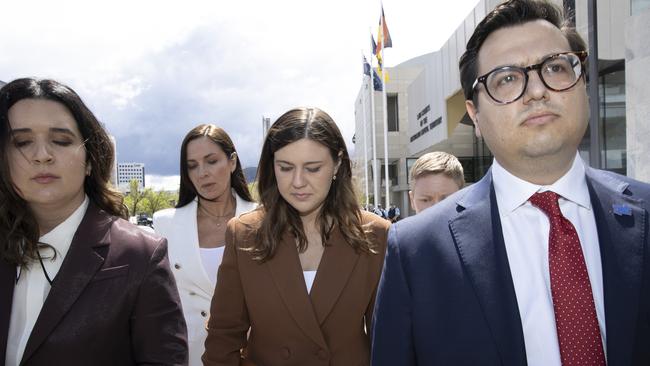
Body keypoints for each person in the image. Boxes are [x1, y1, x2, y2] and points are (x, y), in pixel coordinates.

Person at [371, 1, 650, 365]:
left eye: (556, 67)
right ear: (474, 113)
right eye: (506, 78)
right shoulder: (416, 252)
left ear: (582, 83)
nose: (537, 91)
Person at [0, 78, 188, 365]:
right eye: (22, 142)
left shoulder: (141, 254)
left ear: (90, 159)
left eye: (61, 141)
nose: (42, 156)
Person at [202, 107, 390, 366]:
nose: (298, 182)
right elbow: (223, 339)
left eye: (312, 168)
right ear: (272, 166)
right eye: (286, 167)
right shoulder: (244, 234)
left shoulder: (377, 234)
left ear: (337, 164)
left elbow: (389, 341)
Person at [153, 124, 256, 366]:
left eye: (211, 161)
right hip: (187, 355)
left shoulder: (264, 220)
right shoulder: (164, 225)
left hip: (252, 354)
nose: (202, 173)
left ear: (232, 162)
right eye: (192, 166)